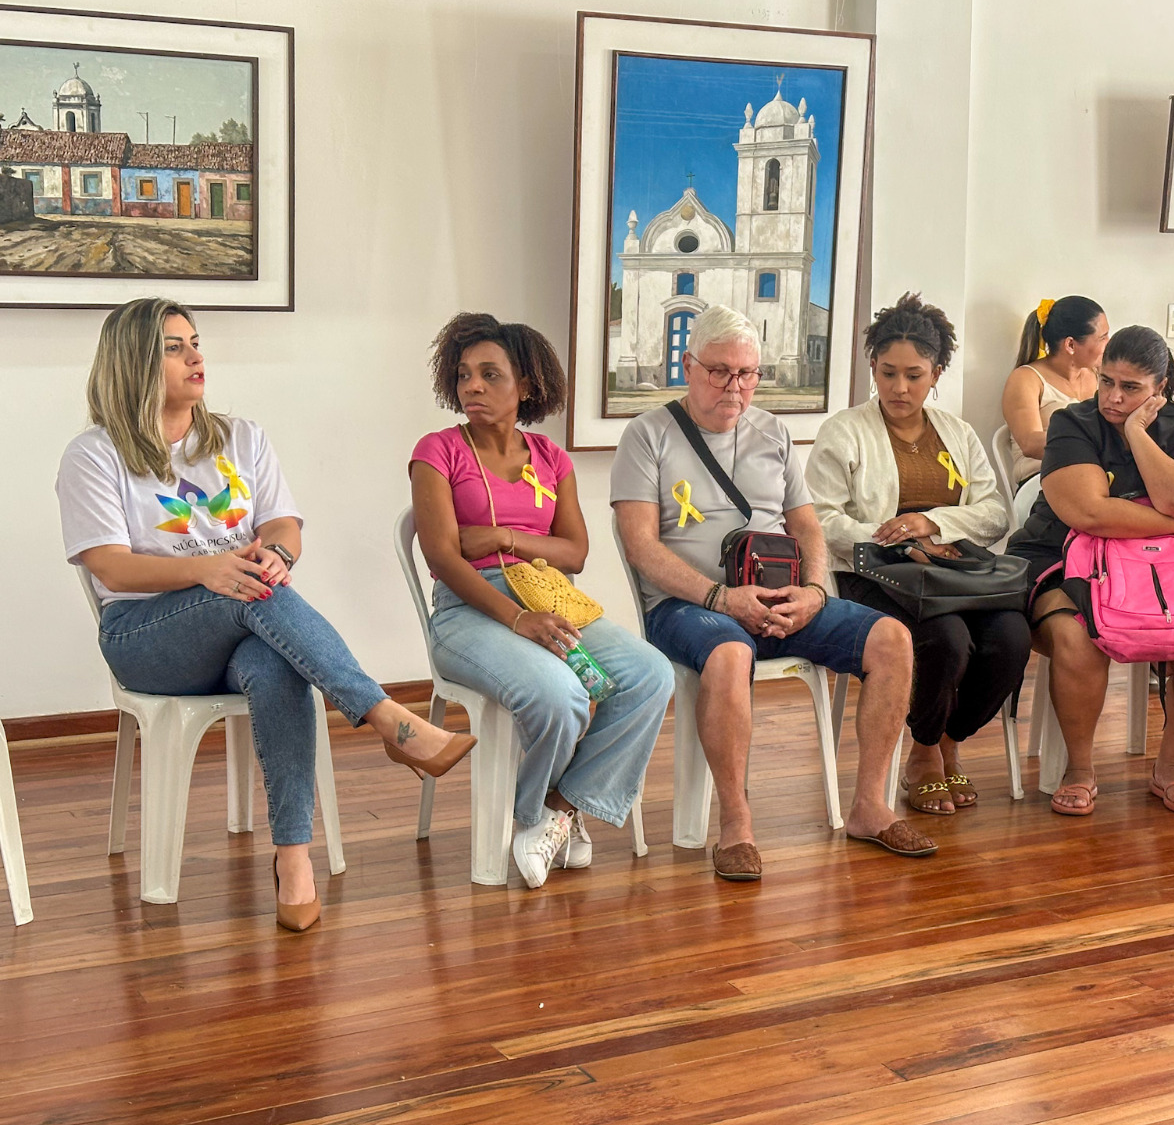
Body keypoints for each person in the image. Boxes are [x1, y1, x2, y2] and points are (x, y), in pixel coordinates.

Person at [56, 298, 475, 931]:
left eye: (196, 342)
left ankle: (294, 861)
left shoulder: (241, 437)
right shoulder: (94, 454)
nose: (196, 356)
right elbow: (111, 568)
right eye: (174, 347)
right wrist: (209, 569)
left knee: (276, 662)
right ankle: (388, 719)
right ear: (133, 361)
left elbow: (283, 526)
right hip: (146, 639)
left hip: (241, 618)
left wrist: (276, 555)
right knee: (251, 591)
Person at [611, 304, 934, 880]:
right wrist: (720, 598)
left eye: (747, 374)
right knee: (729, 653)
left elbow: (807, 526)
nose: (734, 387)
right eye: (719, 371)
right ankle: (736, 824)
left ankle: (869, 806)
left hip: (781, 599)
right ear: (688, 366)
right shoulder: (647, 435)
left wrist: (813, 591)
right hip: (689, 608)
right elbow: (640, 546)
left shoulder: (773, 433)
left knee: (893, 639)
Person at [409, 313, 673, 888]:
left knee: (651, 675)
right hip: (467, 610)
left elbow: (574, 552)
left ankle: (558, 807)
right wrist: (517, 618)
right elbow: (444, 558)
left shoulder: (551, 457)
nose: (473, 386)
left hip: (552, 597)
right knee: (559, 694)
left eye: (490, 374)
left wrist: (504, 537)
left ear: (526, 385)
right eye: (464, 374)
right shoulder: (437, 451)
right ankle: (536, 817)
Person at [806, 293, 1030, 814]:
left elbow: (995, 512)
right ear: (872, 367)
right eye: (888, 373)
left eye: (914, 375)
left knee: (1012, 639)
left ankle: (948, 739)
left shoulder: (958, 433)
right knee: (947, 640)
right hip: (874, 576)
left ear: (937, 373)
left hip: (951, 577)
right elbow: (820, 518)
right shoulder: (844, 431)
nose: (899, 388)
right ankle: (924, 752)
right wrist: (899, 539)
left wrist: (934, 523)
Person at [1007, 325, 1174, 817]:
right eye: (1106, 381)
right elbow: (1090, 514)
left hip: (1163, 566)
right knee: (1076, 634)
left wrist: (1136, 433)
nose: (1112, 397)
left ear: (1161, 385)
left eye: (1130, 388)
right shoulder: (1072, 422)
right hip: (1061, 555)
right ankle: (1079, 769)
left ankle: (1170, 766)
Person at [1000, 295, 1174, 486]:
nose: (1109, 342)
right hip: (1044, 481)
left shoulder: (1101, 372)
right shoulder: (1027, 379)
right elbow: (1030, 444)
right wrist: (1106, 439)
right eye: (1103, 337)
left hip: (1107, 473)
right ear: (1071, 345)